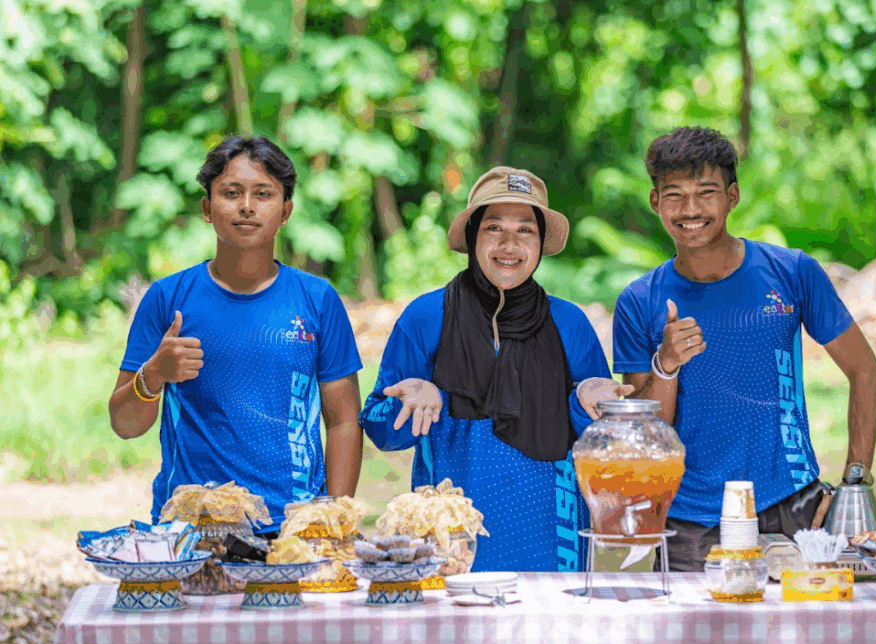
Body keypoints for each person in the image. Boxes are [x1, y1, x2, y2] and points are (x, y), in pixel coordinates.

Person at [611, 127, 876, 571]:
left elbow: (865, 371)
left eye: (706, 193)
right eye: (675, 195)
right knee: (694, 621)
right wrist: (666, 364)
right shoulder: (639, 300)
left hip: (793, 504)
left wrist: (855, 484)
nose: (691, 210)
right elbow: (647, 433)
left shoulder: (792, 272)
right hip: (689, 519)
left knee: (813, 615)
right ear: (655, 201)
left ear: (732, 197)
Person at [359, 167, 632, 572]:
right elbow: (383, 432)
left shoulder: (569, 324)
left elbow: (602, 449)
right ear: (473, 236)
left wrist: (585, 402)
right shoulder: (426, 317)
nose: (509, 244)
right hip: (451, 553)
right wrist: (418, 399)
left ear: (540, 243)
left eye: (525, 230)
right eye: (493, 228)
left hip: (552, 551)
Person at [108, 136, 364, 534]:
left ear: (285, 211)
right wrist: (154, 373)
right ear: (207, 209)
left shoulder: (317, 299)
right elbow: (125, 425)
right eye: (231, 193)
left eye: (263, 194)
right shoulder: (167, 299)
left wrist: (333, 520)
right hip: (191, 528)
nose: (247, 206)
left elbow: (343, 420)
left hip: (294, 528)